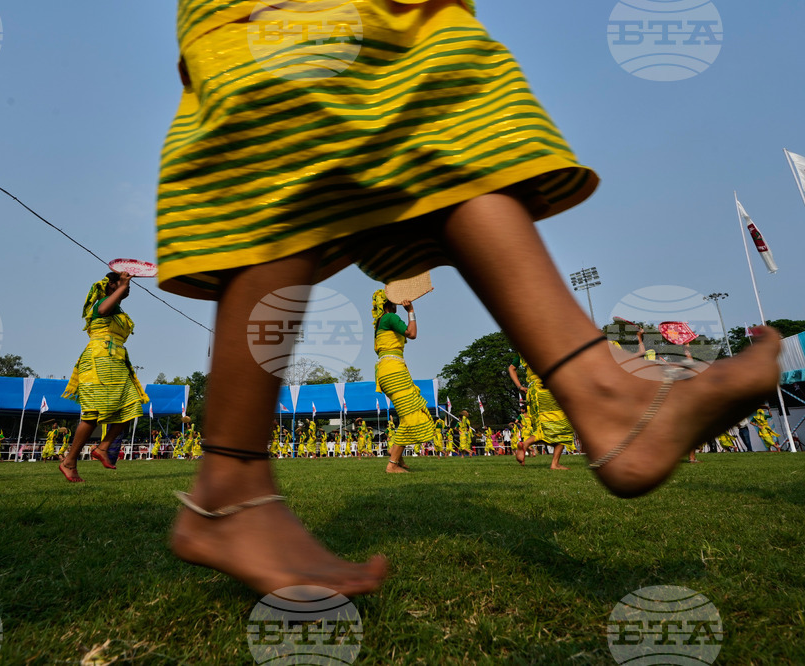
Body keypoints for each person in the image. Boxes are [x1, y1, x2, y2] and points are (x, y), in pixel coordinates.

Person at [159, 0, 780, 596]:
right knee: (298, 84)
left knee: (445, 97)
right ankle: (229, 482)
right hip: (388, 367)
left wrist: (410, 313)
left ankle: (604, 392)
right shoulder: (383, 318)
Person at [59, 272, 150, 482]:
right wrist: (123, 286)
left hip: (115, 362)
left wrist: (122, 288)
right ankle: (69, 462)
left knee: (131, 408)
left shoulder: (117, 307)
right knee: (92, 414)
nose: (127, 289)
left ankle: (103, 447)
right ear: (111, 286)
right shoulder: (103, 303)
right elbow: (101, 309)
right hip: (98, 361)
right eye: (122, 285)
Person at [509, 360, 572, 470]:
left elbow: (511, 368)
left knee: (543, 428)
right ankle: (554, 463)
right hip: (547, 388)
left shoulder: (523, 349)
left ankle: (525, 445)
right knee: (563, 427)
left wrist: (519, 387)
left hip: (533, 391)